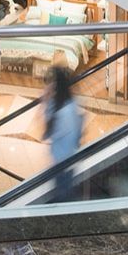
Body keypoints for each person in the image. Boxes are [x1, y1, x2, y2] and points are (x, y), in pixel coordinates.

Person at [43, 64, 84, 202]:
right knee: (63, 190)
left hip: (63, 161)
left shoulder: (63, 110)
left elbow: (50, 132)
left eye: (50, 84)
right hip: (65, 158)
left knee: (63, 194)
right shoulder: (69, 102)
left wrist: (45, 100)